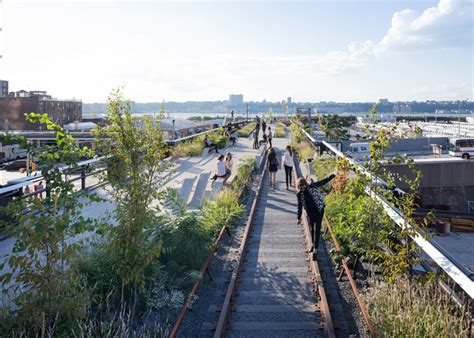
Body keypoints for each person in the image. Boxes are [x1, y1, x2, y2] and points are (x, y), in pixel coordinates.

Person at [296, 174, 336, 260]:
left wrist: (330, 177)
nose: (302, 188)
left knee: (316, 229)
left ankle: (315, 249)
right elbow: (299, 206)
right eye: (300, 187)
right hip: (312, 213)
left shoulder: (310, 187)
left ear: (305, 184)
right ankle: (313, 245)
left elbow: (322, 182)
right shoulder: (300, 193)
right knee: (312, 230)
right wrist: (298, 217)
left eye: (302, 187)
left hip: (318, 211)